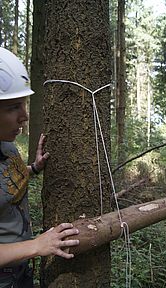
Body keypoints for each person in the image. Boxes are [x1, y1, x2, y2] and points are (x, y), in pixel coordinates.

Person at [0, 47, 79, 287]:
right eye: (13, 107)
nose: (24, 116)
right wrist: (37, 246)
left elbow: (6, 186)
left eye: (23, 104)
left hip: (21, 270)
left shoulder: (7, 147)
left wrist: (33, 168)